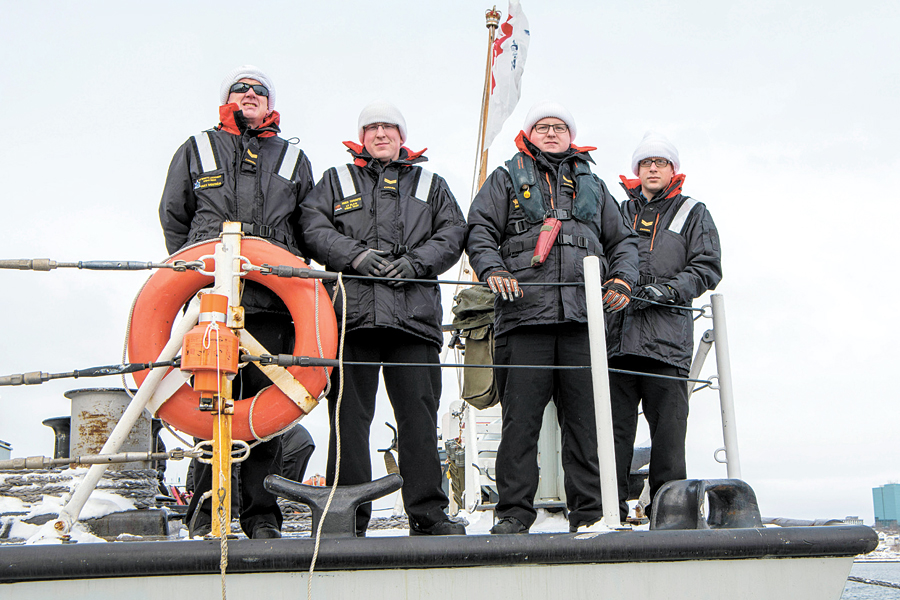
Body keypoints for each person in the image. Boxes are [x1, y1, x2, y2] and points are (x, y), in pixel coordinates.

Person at [466, 101, 639, 534]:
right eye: (542, 126)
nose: (551, 132)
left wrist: (622, 281)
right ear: (530, 133)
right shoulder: (504, 179)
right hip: (524, 320)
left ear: (570, 135)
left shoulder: (595, 186)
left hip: (583, 323)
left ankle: (590, 515)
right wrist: (492, 269)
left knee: (585, 426)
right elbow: (480, 230)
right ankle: (513, 514)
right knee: (519, 424)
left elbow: (623, 243)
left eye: (559, 127)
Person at [159, 65, 314, 539]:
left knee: (262, 413)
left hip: (271, 303)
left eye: (259, 90)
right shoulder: (197, 148)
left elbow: (310, 225)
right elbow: (174, 216)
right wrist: (196, 276)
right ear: (226, 98)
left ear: (270, 103)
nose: (249, 94)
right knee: (211, 407)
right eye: (239, 89)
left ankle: (262, 517)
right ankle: (207, 511)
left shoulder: (293, 158)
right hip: (211, 303)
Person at [299, 102, 467, 536]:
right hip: (350, 320)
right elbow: (312, 227)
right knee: (348, 420)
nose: (379, 134)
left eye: (388, 127)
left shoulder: (432, 185)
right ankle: (348, 517)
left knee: (419, 418)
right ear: (361, 136)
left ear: (401, 136)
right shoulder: (334, 181)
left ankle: (428, 514)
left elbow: (453, 233)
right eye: (371, 128)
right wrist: (355, 256)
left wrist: (414, 263)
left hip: (413, 322)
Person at [607, 131, 722, 522]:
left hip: (666, 344)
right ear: (636, 171)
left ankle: (668, 513)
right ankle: (611, 508)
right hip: (616, 343)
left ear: (674, 170)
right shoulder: (617, 212)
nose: (652, 168)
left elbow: (707, 267)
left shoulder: (694, 212)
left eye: (660, 162)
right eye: (645, 163)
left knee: (669, 436)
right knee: (613, 433)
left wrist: (668, 290)